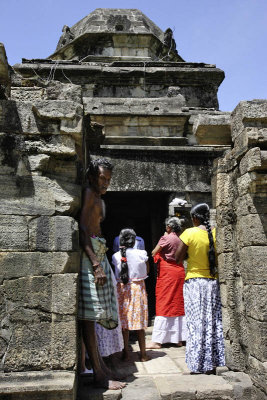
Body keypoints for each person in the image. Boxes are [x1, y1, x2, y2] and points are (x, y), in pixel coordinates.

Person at [78, 158, 126, 390]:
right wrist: (96, 263)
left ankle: (101, 368)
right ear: (91, 177)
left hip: (98, 251)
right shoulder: (88, 192)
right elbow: (84, 229)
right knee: (90, 315)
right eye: (102, 178)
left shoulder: (98, 197)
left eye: (108, 179)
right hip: (91, 258)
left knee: (96, 312)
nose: (106, 182)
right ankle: (98, 372)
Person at [175, 203, 225, 374]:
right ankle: (213, 362)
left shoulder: (189, 233)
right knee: (212, 322)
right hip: (213, 283)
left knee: (196, 324)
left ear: (195, 218)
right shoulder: (216, 233)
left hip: (195, 283)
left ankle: (197, 364)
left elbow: (176, 258)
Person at [146, 217, 187, 349]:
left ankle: (157, 341)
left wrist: (164, 237)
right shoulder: (181, 238)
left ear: (169, 227)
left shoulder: (166, 238)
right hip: (179, 272)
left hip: (167, 274)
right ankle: (178, 339)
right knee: (178, 303)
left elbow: (154, 252)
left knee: (164, 304)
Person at [112, 228, 150, 362]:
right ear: (134, 241)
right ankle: (144, 354)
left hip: (122, 290)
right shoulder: (142, 253)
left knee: (124, 324)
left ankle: (126, 353)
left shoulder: (115, 256)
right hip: (137, 288)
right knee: (139, 324)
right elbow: (147, 271)